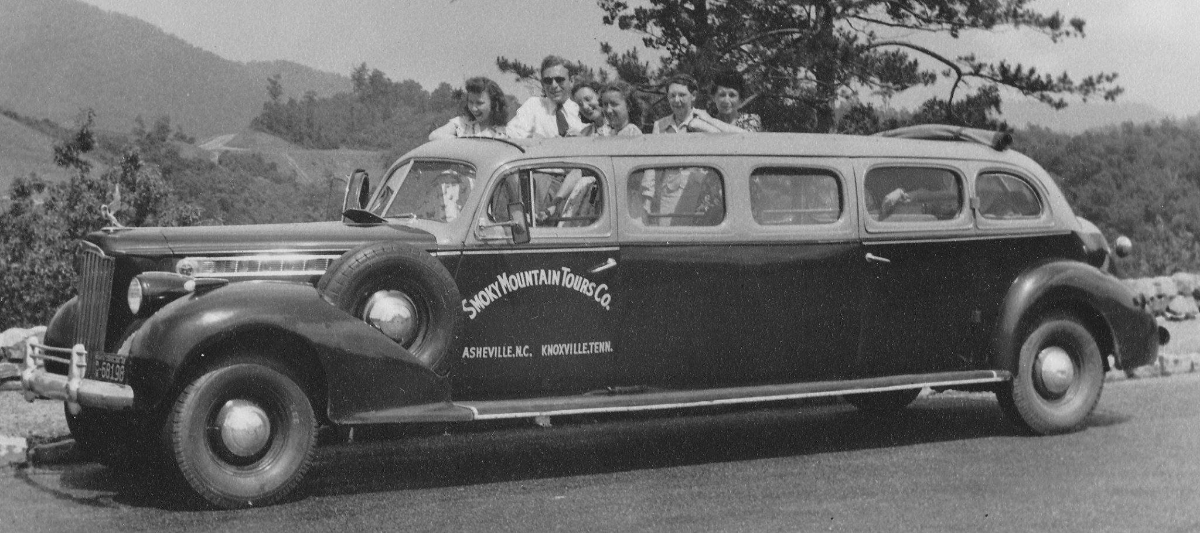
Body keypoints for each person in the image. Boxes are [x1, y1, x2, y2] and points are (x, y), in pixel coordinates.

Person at [506, 55, 584, 138]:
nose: (554, 85)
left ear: (571, 81)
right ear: (542, 84)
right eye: (548, 81)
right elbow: (510, 134)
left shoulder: (583, 108)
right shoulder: (534, 106)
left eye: (559, 80)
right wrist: (533, 138)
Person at [652, 74, 744, 134]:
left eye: (682, 95)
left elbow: (736, 138)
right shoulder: (659, 125)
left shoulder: (704, 119)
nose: (676, 100)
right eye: (672, 95)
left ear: (694, 96)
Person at [428, 77, 508, 140]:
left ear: (494, 104)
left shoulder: (504, 132)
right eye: (470, 102)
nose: (473, 108)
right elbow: (434, 136)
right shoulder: (462, 123)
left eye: (479, 103)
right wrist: (465, 143)